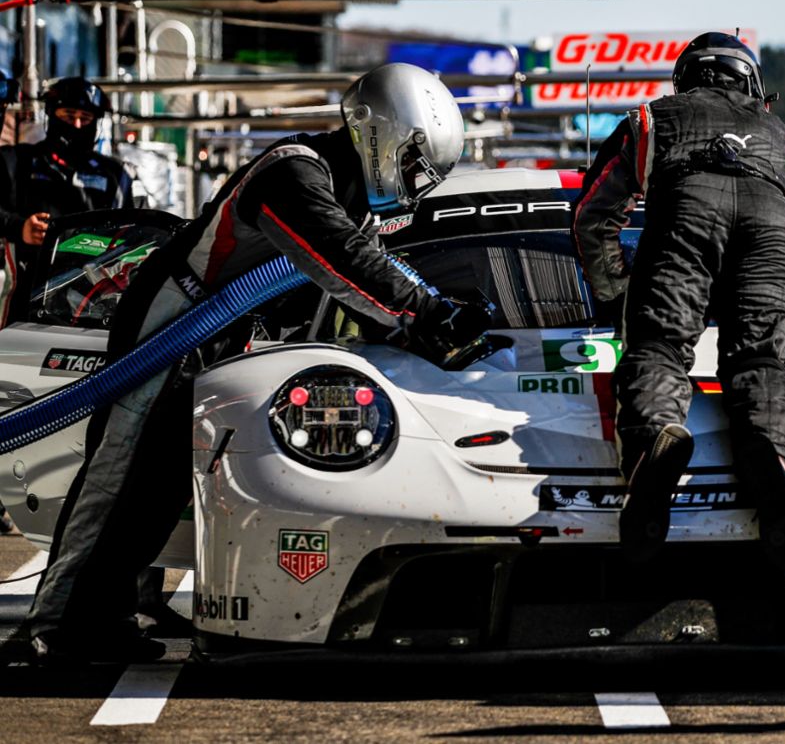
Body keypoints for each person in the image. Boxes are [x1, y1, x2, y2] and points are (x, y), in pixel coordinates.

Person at [27, 63, 490, 664]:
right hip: (173, 321)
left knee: (162, 487)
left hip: (220, 334)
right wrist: (427, 313)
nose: (414, 181)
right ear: (384, 134)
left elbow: (371, 269)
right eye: (413, 163)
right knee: (121, 476)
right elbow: (344, 260)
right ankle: (60, 623)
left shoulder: (348, 191)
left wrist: (443, 317)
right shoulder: (294, 171)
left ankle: (105, 616)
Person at [572, 32, 785, 569]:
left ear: (687, 78)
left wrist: (617, 293)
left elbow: (591, 214)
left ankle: (655, 442)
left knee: (657, 346)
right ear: (751, 81)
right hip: (773, 231)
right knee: (760, 359)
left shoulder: (652, 117)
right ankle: (769, 454)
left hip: (685, 212)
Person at [0, 78, 133, 324]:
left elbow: (132, 236)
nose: (78, 124)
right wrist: (20, 227)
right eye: (69, 115)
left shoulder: (115, 175)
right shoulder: (15, 161)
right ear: (51, 115)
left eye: (86, 117)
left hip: (93, 304)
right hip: (22, 301)